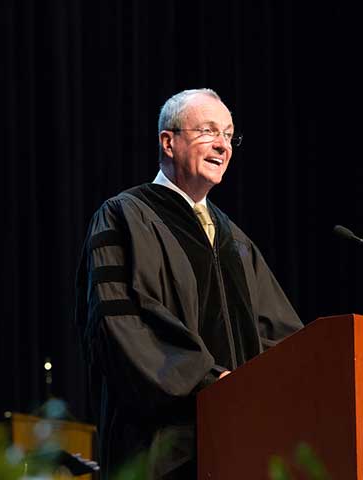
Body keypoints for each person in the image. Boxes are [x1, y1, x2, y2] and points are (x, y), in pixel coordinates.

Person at [75, 88, 303, 479]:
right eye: (209, 131)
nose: (223, 145)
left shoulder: (237, 242)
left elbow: (280, 337)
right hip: (160, 449)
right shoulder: (123, 217)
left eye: (230, 136)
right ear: (169, 141)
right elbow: (118, 328)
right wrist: (209, 381)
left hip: (240, 446)